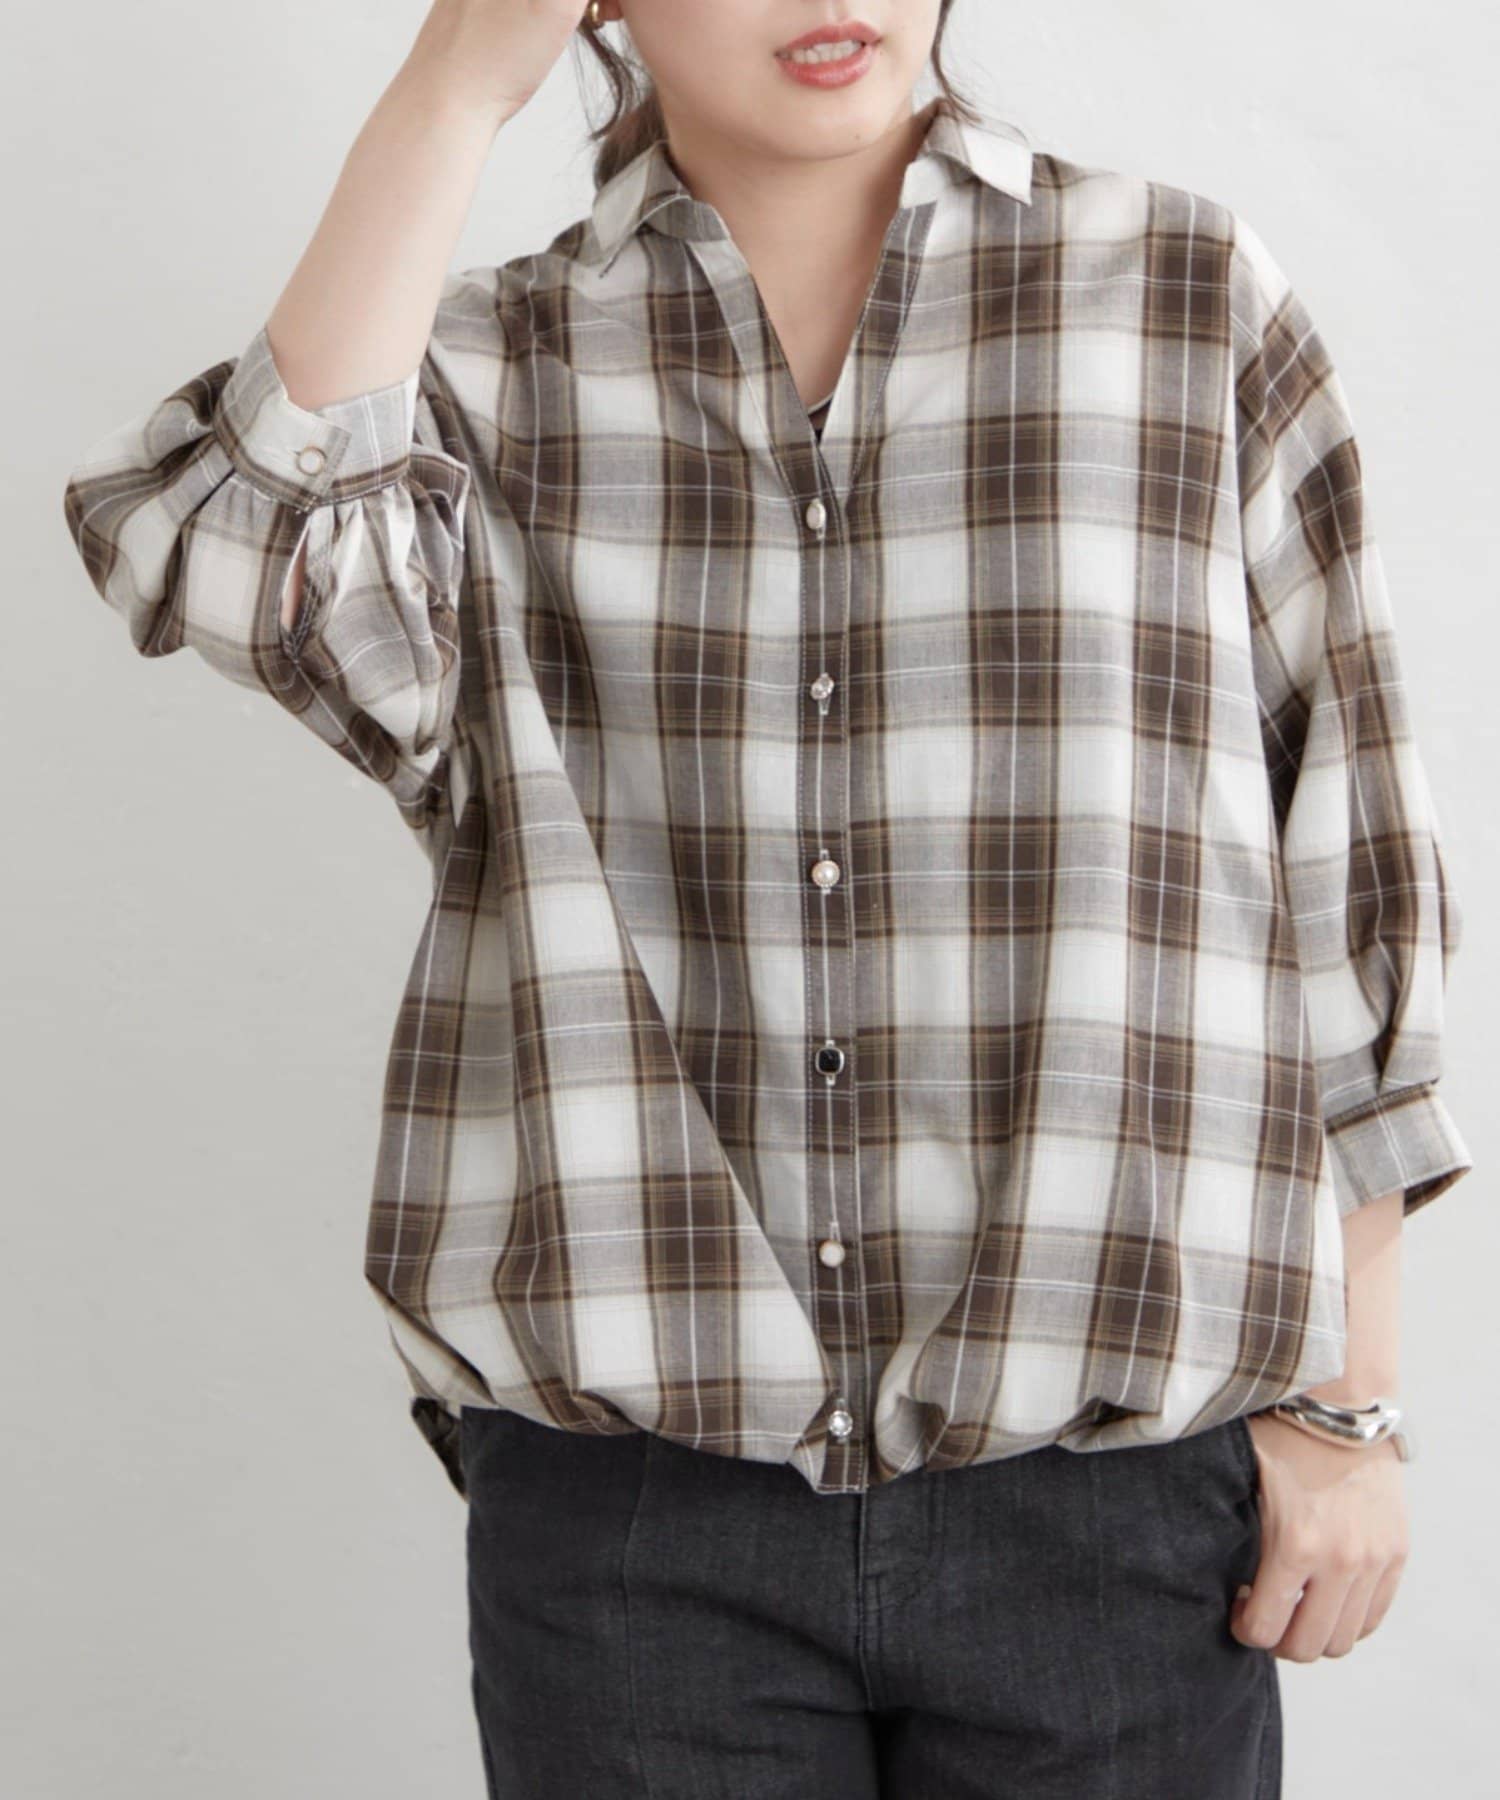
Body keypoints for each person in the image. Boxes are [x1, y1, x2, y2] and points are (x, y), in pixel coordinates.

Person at [61, 2, 1473, 1794]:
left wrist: (1348, 1411)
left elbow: (1348, 864)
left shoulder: (1181, 300)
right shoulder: (480, 373)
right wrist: (457, 79)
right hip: (638, 1535)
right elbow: (237, 566)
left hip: (1113, 1511)